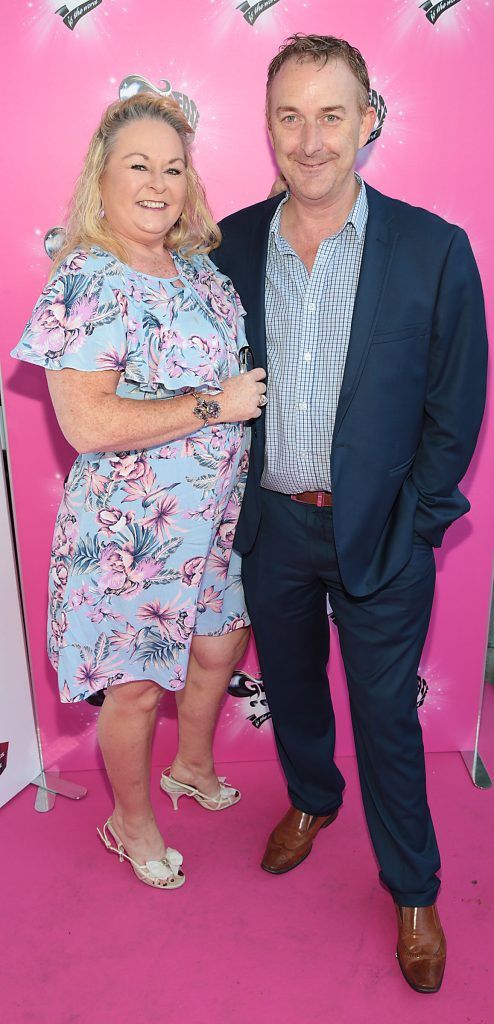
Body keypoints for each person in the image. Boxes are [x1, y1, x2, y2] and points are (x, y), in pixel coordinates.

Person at [213, 33, 487, 991]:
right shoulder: (230, 244)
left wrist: (417, 524)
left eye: (332, 114)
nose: (311, 137)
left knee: (385, 715)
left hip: (383, 534)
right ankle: (312, 798)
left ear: (369, 120)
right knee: (291, 689)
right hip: (273, 527)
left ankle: (413, 886)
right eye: (290, 115)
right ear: (270, 128)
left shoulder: (435, 250)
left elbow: (457, 409)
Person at [11, 93, 266, 890]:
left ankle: (189, 765)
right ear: (103, 177)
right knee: (136, 687)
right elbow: (86, 423)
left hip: (214, 517)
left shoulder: (198, 270)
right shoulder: (88, 279)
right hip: (134, 530)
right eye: (138, 165)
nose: (158, 183)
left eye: (173, 167)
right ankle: (130, 820)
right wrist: (211, 406)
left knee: (222, 642)